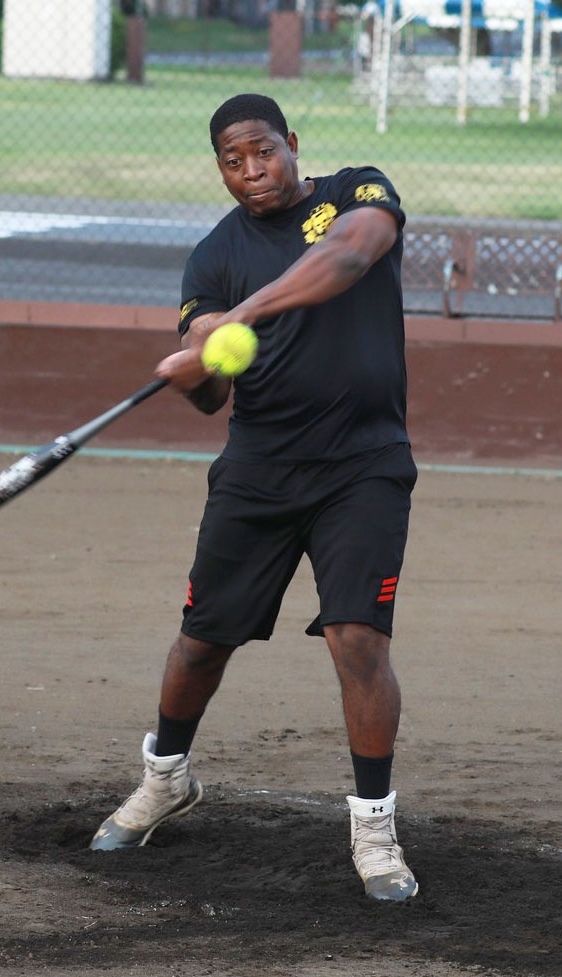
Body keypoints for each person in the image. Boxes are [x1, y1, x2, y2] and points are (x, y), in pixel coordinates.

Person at [90, 93, 419, 902]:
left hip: (362, 463)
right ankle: (165, 777)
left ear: (291, 144)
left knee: (357, 639)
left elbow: (349, 257)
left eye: (262, 152)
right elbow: (211, 395)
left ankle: (373, 827)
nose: (251, 172)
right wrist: (194, 367)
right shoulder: (212, 257)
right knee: (201, 641)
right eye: (232, 162)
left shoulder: (356, 193)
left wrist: (242, 312)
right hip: (259, 468)